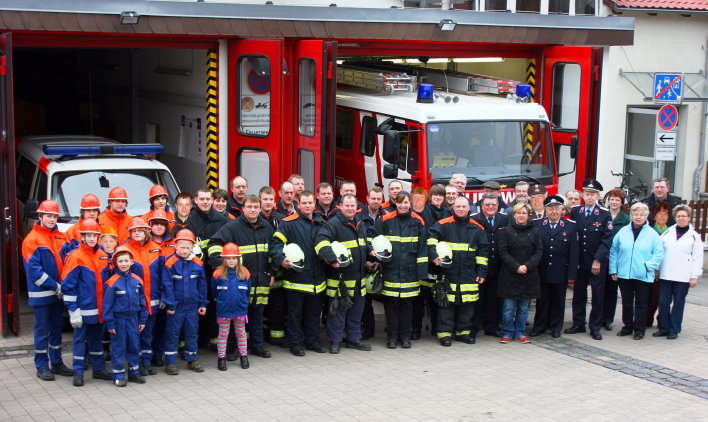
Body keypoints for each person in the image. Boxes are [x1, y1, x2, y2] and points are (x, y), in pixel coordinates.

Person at [208, 194, 275, 359]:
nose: (252, 210)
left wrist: (272, 272)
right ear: (243, 208)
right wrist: (222, 266)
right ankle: (234, 349)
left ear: (260, 209)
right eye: (249, 207)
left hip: (260, 281)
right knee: (236, 318)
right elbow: (214, 244)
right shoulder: (232, 227)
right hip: (237, 281)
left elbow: (273, 252)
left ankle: (257, 346)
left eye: (255, 207)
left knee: (257, 316)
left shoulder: (266, 227)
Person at [270, 191, 327, 356]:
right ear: (299, 204)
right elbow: (275, 244)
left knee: (314, 314)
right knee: (295, 315)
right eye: (305, 203)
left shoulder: (320, 222)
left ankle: (313, 342)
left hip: (317, 280)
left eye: (311, 203)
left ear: (314, 204)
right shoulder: (288, 223)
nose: (308, 206)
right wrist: (281, 259)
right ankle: (295, 345)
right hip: (296, 278)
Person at [315, 194, 373, 354]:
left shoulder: (360, 224)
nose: (350, 208)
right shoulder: (332, 224)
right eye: (347, 206)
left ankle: (354, 339)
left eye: (352, 206)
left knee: (356, 313)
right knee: (337, 313)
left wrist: (369, 258)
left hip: (358, 278)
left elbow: (362, 246)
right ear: (340, 206)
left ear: (357, 207)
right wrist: (332, 260)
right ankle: (335, 341)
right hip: (340, 279)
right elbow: (320, 243)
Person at [22, 199, 72, 381]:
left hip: (58, 294)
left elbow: (69, 261)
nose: (52, 219)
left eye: (54, 216)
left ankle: (57, 363)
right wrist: (56, 286)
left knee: (57, 329)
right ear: (40, 216)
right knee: (42, 331)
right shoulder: (31, 240)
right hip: (43, 295)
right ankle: (42, 365)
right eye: (49, 216)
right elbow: (35, 272)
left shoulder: (60, 236)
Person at [369, 191, 427, 349]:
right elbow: (371, 236)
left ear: (410, 204)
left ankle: (405, 337)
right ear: (395, 203)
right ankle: (392, 337)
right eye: (400, 202)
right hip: (391, 271)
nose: (403, 205)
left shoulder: (418, 221)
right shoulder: (386, 220)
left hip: (410, 273)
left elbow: (422, 249)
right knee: (391, 307)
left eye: (406, 202)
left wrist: (421, 274)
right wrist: (372, 251)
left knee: (408, 307)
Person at [428, 196, 489, 347]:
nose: (461, 209)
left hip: (469, 275)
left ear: (469, 208)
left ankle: (463, 333)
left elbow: (483, 253)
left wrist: (481, 272)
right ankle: (445, 334)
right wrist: (434, 257)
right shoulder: (442, 225)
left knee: (467, 306)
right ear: (453, 208)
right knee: (446, 305)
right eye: (458, 206)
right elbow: (430, 240)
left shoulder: (477, 228)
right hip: (448, 273)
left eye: (464, 206)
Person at [60, 219, 112, 386]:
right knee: (79, 341)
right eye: (88, 235)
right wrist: (73, 311)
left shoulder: (103, 255)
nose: (91, 238)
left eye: (94, 235)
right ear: (81, 236)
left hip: (99, 310)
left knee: (96, 341)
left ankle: (98, 369)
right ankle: (78, 372)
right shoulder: (75, 257)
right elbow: (68, 287)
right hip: (82, 310)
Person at [566, 179, 613, 341]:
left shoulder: (605, 213)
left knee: (598, 295)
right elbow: (573, 237)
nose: (589, 197)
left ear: (598, 196)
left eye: (592, 194)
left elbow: (607, 240)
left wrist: (598, 260)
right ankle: (578, 323)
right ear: (583, 195)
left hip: (596, 262)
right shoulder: (576, 212)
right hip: (580, 261)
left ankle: (595, 326)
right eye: (587, 194)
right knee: (579, 294)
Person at [609, 202, 664, 340]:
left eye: (641, 214)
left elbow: (658, 254)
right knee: (627, 303)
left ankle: (639, 329)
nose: (638, 217)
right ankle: (627, 326)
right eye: (635, 214)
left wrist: (647, 266)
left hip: (643, 275)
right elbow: (614, 250)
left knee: (641, 303)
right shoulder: (623, 231)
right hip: (624, 273)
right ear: (631, 215)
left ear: (646, 216)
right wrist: (613, 269)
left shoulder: (652, 234)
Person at [530, 195, 578, 338]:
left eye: (557, 209)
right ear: (546, 210)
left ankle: (556, 327)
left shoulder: (570, 226)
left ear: (562, 210)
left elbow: (574, 252)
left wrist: (572, 274)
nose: (554, 212)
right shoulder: (537, 224)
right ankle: (539, 326)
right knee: (541, 301)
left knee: (558, 301)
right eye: (551, 209)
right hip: (541, 270)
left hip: (560, 270)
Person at [162, 229, 208, 374]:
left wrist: (203, 304)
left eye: (188, 247)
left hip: (192, 307)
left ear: (193, 247)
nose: (185, 250)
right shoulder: (170, 263)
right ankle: (170, 363)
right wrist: (170, 305)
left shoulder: (198, 263)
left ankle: (192, 360)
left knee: (192, 333)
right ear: (176, 246)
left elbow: (202, 285)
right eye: (182, 247)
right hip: (176, 308)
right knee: (172, 334)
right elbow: (166, 286)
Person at [186, 188, 228, 348]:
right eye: (201, 199)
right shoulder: (189, 219)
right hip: (194, 270)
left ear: (212, 200)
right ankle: (196, 340)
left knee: (213, 303)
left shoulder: (221, 220)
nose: (205, 202)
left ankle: (214, 338)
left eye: (207, 199)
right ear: (196, 200)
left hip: (215, 270)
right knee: (196, 304)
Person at [124, 217, 164, 376]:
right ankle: (136, 363)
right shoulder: (124, 250)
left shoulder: (156, 249)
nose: (137, 233)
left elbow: (163, 277)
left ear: (147, 231)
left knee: (147, 334)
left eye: (140, 230)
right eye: (134, 231)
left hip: (152, 301)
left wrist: (164, 297)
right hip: (133, 303)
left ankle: (146, 362)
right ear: (130, 233)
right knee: (134, 334)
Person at [102, 246, 148, 387]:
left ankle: (134, 372)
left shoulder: (137, 280)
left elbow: (142, 302)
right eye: (120, 261)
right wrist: (110, 324)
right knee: (118, 348)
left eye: (126, 261)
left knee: (134, 346)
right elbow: (107, 305)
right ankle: (118, 374)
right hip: (118, 320)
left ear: (132, 262)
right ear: (115, 263)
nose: (123, 264)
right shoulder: (112, 282)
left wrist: (142, 320)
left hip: (133, 319)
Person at [497, 202, 542, 344]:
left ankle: (520, 332)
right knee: (508, 308)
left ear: (528, 215)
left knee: (523, 308)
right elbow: (502, 252)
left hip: (528, 275)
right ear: (514, 214)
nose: (521, 215)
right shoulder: (506, 231)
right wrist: (516, 266)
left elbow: (539, 252)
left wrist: (527, 266)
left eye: (524, 213)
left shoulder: (535, 231)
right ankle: (507, 332)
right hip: (510, 275)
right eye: (518, 213)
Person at [655, 204, 703, 339]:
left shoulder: (694, 236)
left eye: (684, 216)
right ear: (675, 218)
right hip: (666, 274)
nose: (681, 218)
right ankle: (663, 328)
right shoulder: (667, 233)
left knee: (678, 303)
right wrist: (657, 269)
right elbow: (660, 252)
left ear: (689, 218)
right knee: (663, 302)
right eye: (678, 216)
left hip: (683, 276)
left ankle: (674, 329)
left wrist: (694, 276)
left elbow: (698, 257)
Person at [414, 184, 452, 339]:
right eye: (435, 195)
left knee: (438, 297)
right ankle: (415, 330)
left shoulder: (448, 213)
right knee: (419, 299)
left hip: (441, 261)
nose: (438, 198)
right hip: (425, 260)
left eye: (441, 195)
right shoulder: (424, 212)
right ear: (431, 196)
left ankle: (437, 329)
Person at [471, 194, 509, 338]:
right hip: (479, 267)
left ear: (498, 206)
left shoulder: (504, 219)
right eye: (487, 204)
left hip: (498, 267)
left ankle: (491, 327)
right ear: (482, 206)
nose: (491, 207)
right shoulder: (474, 220)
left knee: (494, 300)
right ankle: (473, 328)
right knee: (477, 300)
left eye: (493, 204)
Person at [212, 243, 251, 370]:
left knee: (241, 334)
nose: (231, 260)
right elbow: (214, 291)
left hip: (240, 310)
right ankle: (221, 359)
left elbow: (248, 291)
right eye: (228, 258)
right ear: (223, 259)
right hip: (224, 311)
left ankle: (244, 357)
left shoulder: (245, 273)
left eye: (234, 258)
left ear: (238, 259)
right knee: (223, 335)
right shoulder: (218, 273)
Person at [355, 187, 386, 340]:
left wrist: (380, 261)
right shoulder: (358, 216)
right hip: (363, 263)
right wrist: (366, 261)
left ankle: (387, 330)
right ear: (367, 199)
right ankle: (367, 330)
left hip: (383, 263)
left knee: (386, 297)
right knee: (364, 301)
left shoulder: (386, 217)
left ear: (382, 200)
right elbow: (359, 242)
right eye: (373, 198)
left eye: (378, 199)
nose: (375, 201)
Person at [601, 189, 631, 331]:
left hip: (616, 259)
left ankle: (608, 319)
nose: (613, 202)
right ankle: (598, 317)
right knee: (599, 290)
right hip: (602, 257)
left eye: (617, 200)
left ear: (621, 202)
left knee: (612, 291)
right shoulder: (602, 215)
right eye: (611, 199)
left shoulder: (625, 220)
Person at [646, 202, 672, 329]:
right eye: (660, 213)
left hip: (666, 270)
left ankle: (662, 321)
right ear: (654, 216)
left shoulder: (671, 232)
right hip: (652, 270)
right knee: (651, 297)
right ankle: (647, 319)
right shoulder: (649, 231)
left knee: (664, 298)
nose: (662, 216)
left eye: (665, 214)